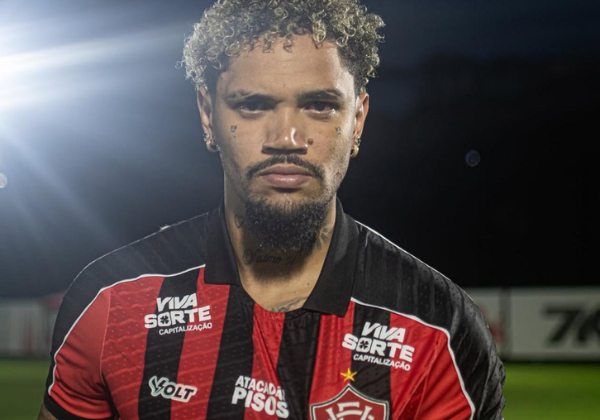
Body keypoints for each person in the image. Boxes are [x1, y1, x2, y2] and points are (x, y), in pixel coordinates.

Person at [38, 0, 505, 419]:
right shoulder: (111, 301)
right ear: (208, 115)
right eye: (253, 105)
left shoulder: (438, 328)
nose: (287, 138)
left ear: (358, 119)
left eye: (320, 105)